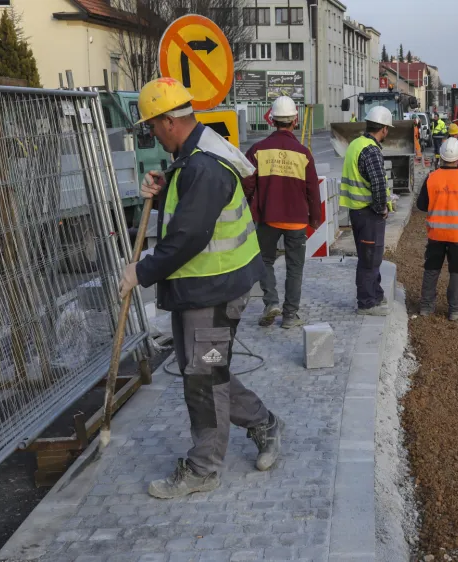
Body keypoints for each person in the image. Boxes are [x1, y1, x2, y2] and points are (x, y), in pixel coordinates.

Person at [118, 78, 285, 499]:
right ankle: (265, 423)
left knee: (203, 378)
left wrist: (143, 271)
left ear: (169, 121)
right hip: (207, 287)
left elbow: (190, 235)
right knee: (209, 369)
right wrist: (165, 186)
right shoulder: (194, 154)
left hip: (214, 292)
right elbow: (191, 205)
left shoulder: (202, 166)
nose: (151, 134)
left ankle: (204, 468)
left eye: (152, 126)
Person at [243, 96, 321, 329]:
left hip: (268, 218)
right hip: (296, 221)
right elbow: (312, 189)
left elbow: (247, 183)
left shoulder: (258, 150)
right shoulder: (303, 153)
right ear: (294, 121)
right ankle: (289, 316)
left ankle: (271, 303)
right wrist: (315, 218)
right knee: (294, 268)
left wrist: (246, 206)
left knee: (264, 260)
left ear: (272, 120)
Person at [417, 138, 458, 321]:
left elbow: (421, 205)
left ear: (442, 157)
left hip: (436, 234)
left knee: (431, 267)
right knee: (456, 270)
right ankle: (455, 309)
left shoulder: (431, 178)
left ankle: (426, 306)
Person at [339, 107, 394, 316]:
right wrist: (382, 207)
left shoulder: (355, 144)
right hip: (369, 213)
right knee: (370, 259)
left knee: (369, 257)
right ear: (384, 129)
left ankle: (376, 294)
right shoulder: (371, 150)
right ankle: (367, 302)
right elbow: (379, 185)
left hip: (357, 211)